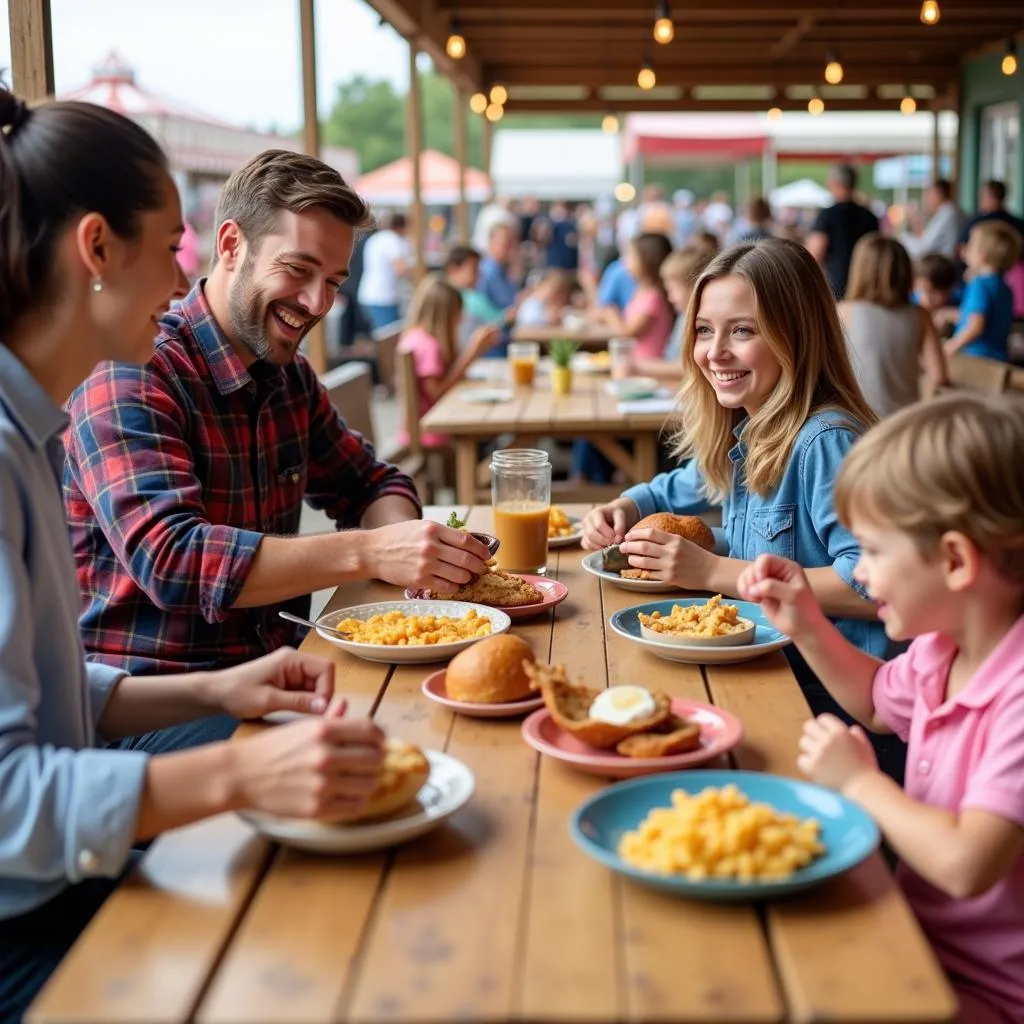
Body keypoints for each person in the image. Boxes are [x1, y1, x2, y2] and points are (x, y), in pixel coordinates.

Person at [0, 88, 388, 1024]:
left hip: (73, 854)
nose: (179, 287)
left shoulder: (32, 427)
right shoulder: (80, 403)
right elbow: (10, 799)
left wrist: (221, 693)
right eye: (173, 247)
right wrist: (240, 770)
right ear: (97, 248)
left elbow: (55, 695)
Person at [64, 150, 491, 687]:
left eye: (334, 282)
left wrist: (410, 548)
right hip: (154, 700)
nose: (316, 303)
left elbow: (370, 482)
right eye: (298, 269)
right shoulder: (132, 370)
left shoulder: (289, 376)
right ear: (230, 245)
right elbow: (174, 561)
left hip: (280, 669)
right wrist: (373, 550)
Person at [737, 392, 1024, 1023]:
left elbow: (964, 864)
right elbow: (873, 702)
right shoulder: (943, 648)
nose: (860, 575)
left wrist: (861, 784)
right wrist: (807, 621)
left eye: (871, 552)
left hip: (989, 997)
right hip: (916, 941)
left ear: (954, 560)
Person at [581, 240, 903, 776]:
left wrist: (713, 571)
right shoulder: (751, 428)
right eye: (704, 330)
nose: (715, 351)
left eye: (743, 330)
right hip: (765, 668)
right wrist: (624, 505)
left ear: (795, 336)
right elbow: (676, 487)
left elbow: (871, 587)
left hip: (832, 711)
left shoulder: (824, 441)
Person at [840, 234, 948, 416]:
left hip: (856, 423)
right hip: (903, 425)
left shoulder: (842, 312)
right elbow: (939, 377)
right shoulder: (920, 315)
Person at [397, 276, 500, 448]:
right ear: (446, 314)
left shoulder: (415, 336)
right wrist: (472, 353)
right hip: (432, 431)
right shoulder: (428, 346)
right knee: (487, 441)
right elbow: (437, 393)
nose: (460, 320)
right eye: (458, 313)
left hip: (421, 426)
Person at [634, 244, 717, 382]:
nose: (670, 298)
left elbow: (687, 368)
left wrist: (637, 367)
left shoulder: (701, 323)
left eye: (673, 290)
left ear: (694, 287)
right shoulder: (682, 317)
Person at [946, 220, 1022, 362]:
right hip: (998, 359)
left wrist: (950, 347)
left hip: (976, 359)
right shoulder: (1004, 288)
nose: (965, 250)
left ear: (982, 255)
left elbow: (976, 327)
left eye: (970, 245)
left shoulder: (980, 284)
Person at [592, 233, 674, 359]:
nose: (625, 262)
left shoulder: (654, 298)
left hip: (647, 366)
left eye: (631, 256)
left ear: (647, 260)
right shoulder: (641, 291)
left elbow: (628, 333)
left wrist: (611, 314)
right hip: (635, 364)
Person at [806, 163, 879, 298]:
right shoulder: (870, 217)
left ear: (835, 183)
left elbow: (815, 251)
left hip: (836, 284)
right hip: (866, 284)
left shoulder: (827, 215)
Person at [442, 244, 507, 350]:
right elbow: (499, 321)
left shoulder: (471, 296)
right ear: (453, 269)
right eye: (474, 270)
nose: (479, 276)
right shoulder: (471, 298)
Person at [357, 211, 411, 330]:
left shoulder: (377, 238)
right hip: (383, 297)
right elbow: (400, 269)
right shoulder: (392, 240)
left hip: (368, 294)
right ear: (403, 226)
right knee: (388, 337)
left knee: (381, 335)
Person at [900, 179, 964, 261]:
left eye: (930, 195)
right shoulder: (952, 211)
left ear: (939, 194)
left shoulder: (947, 213)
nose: (927, 200)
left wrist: (903, 238)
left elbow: (923, 248)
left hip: (943, 265)